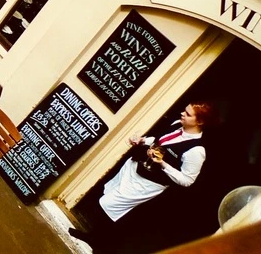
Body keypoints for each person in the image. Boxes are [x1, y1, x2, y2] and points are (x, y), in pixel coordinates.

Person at [69, 102, 215, 249]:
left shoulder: (196, 151)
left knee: (112, 204)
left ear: (200, 122)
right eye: (184, 110)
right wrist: (143, 140)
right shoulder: (177, 124)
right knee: (109, 193)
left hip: (148, 183)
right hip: (135, 167)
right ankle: (93, 237)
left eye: (188, 114)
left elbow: (187, 180)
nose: (182, 114)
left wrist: (163, 164)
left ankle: (100, 244)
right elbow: (158, 140)